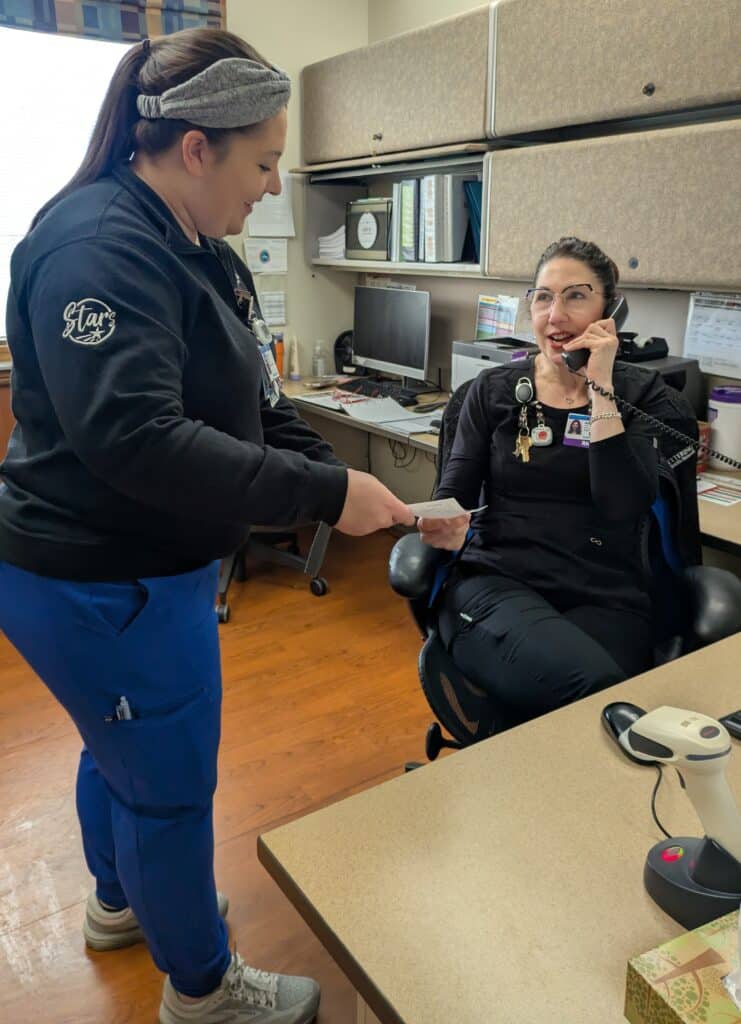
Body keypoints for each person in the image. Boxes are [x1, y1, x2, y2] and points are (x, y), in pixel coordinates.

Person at [0, 28, 414, 1024]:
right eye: (264, 161)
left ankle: (120, 902)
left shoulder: (199, 253)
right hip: (104, 584)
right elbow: (137, 441)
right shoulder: (103, 246)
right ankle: (203, 988)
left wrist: (341, 477)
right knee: (169, 791)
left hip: (142, 577)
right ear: (197, 148)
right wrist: (321, 497)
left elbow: (254, 403)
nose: (273, 184)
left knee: (120, 754)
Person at [418, 237, 692, 728]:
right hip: (498, 585)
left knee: (554, 709)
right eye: (543, 297)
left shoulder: (642, 395)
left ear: (612, 311)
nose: (555, 314)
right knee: (604, 702)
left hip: (606, 595)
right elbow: (453, 494)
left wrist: (600, 388)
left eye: (575, 296)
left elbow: (621, 506)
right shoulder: (491, 393)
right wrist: (440, 521)